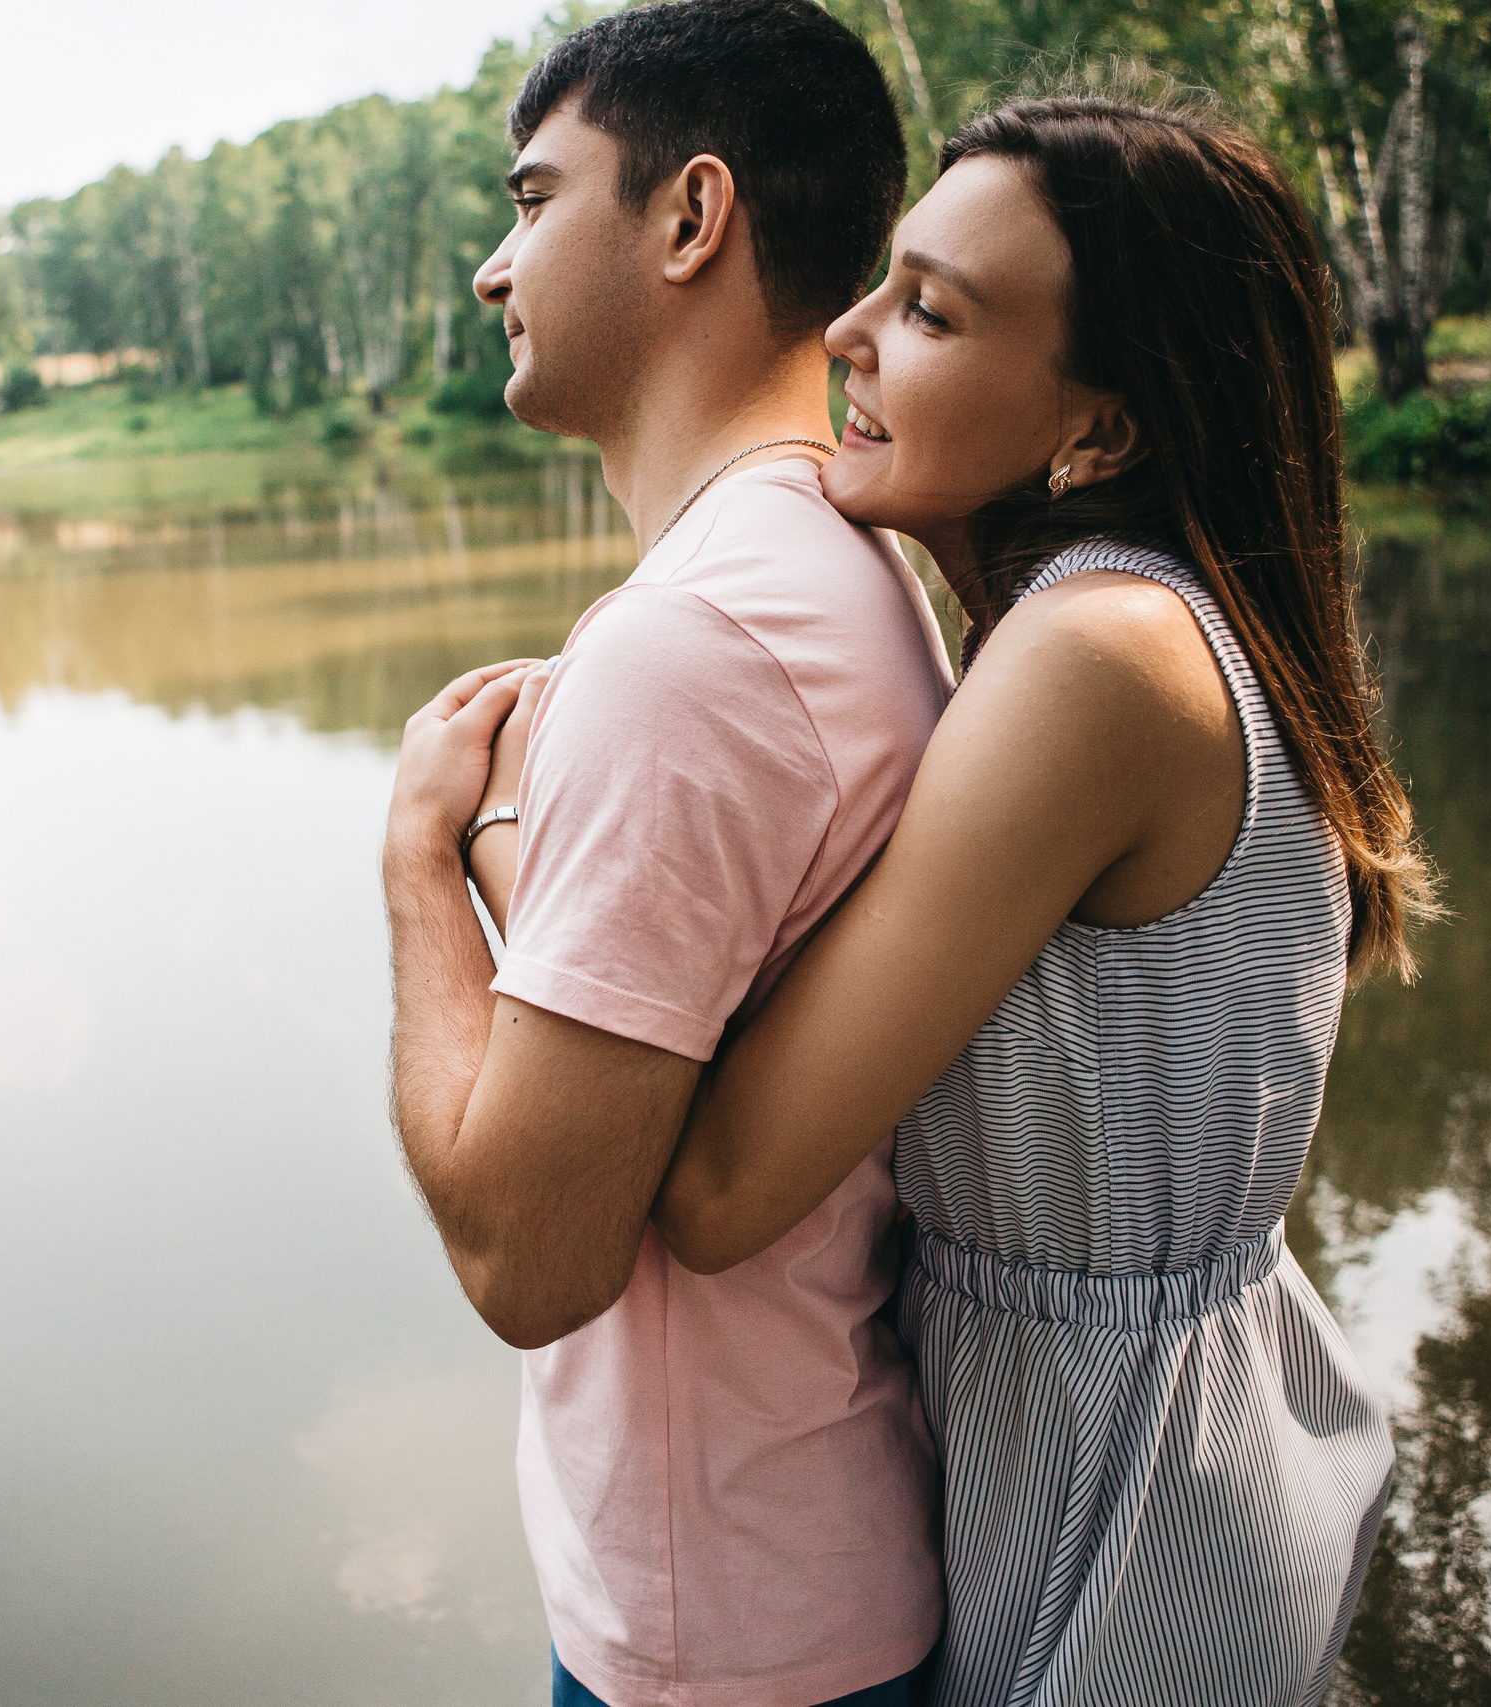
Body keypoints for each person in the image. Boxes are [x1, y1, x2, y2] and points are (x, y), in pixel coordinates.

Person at [464, 89, 1436, 1706]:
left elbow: (713, 1190)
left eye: (928, 310)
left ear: (1101, 431)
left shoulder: (1095, 657)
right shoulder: (1118, 622)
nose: (843, 331)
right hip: (1129, 1433)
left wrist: (489, 824)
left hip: (1115, 1506)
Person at [379, 4, 949, 1705]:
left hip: (732, 1642)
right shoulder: (830, 566)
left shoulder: (696, 642)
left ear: (692, 218)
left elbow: (524, 1257)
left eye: (535, 200)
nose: (496, 267)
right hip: (803, 1570)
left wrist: (424, 856)